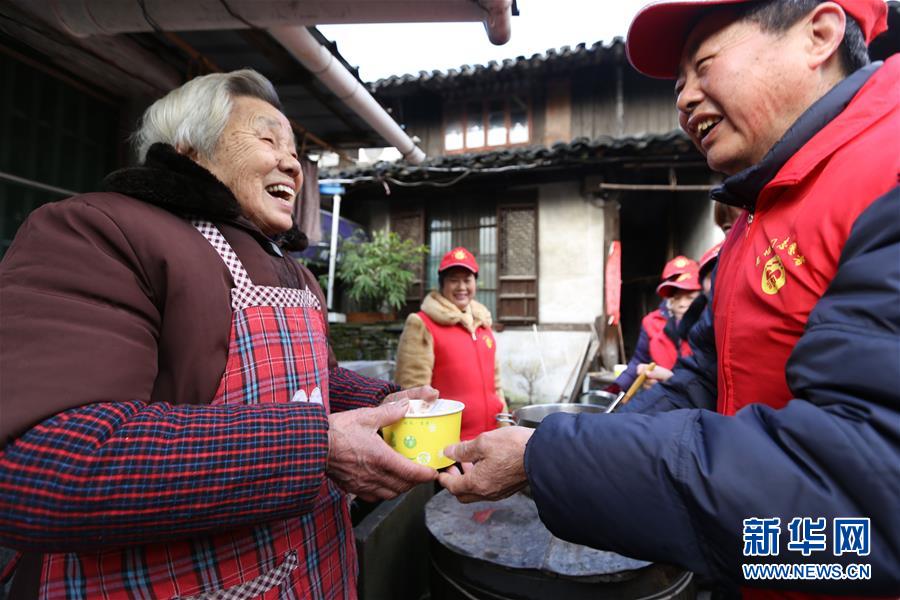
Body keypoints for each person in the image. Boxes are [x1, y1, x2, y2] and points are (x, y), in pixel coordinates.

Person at [439, 1, 898, 598]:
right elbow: (698, 382)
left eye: (704, 66)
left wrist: (546, 461)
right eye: (680, 83)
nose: (684, 99)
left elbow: (866, 518)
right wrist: (567, 463)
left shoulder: (885, 170)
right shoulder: (760, 214)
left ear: (819, 34)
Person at [0, 69, 438, 599]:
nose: (292, 164)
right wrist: (315, 449)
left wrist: (387, 404)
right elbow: (43, 462)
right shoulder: (98, 230)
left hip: (319, 571)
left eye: (295, 150)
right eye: (267, 138)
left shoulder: (292, 269)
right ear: (189, 148)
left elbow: (309, 381)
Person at [395, 247, 507, 441]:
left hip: (492, 439)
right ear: (442, 284)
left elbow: (496, 387)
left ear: (475, 283)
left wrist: (505, 427)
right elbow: (413, 391)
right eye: (454, 280)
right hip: (449, 444)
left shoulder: (483, 325)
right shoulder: (422, 324)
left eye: (467, 279)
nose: (461, 287)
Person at [612, 255, 699, 392]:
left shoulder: (708, 325)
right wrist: (615, 388)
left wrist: (670, 379)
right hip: (661, 396)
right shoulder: (651, 322)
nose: (682, 303)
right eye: (676, 296)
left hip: (693, 398)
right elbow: (639, 360)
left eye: (690, 297)